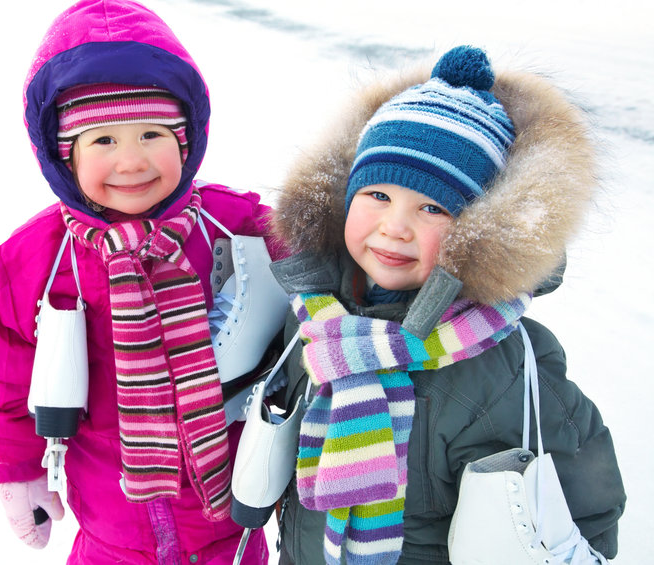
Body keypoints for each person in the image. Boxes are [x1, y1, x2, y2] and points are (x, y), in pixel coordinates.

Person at [267, 46, 625, 564]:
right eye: (378, 196)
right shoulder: (316, 320)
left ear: (478, 232)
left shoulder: (501, 369)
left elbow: (583, 513)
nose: (395, 227)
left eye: (433, 207)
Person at [0, 1, 282, 562]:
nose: (131, 162)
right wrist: (17, 474)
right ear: (64, 155)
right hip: (110, 524)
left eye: (152, 133)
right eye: (103, 141)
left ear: (186, 138)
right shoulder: (39, 258)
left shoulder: (235, 227)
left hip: (232, 516)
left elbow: (318, 287)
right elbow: (1, 378)